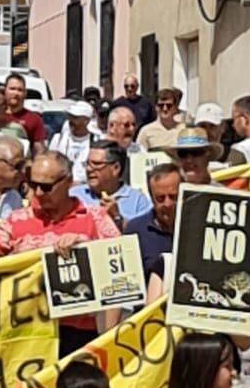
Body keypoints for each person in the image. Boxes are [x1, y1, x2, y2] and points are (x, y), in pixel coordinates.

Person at [0, 152, 121, 352]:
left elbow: (119, 274)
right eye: (33, 185)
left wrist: (86, 247)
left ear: (68, 182)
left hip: (77, 333)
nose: (39, 193)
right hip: (27, 333)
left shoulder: (95, 217)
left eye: (46, 187)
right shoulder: (16, 219)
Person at [75, 137, 153, 226]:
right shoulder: (74, 195)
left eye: (96, 164)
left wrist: (117, 217)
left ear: (116, 168)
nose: (89, 169)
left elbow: (143, 234)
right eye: (87, 164)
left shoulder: (138, 201)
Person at [128, 158, 179, 287]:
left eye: (173, 197)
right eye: (160, 198)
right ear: (151, 198)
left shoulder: (198, 228)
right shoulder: (135, 230)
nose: (167, 204)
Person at [48, 97, 94, 173]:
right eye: (70, 117)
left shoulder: (95, 141)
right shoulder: (58, 139)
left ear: (86, 121)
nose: (71, 120)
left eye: (75, 118)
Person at [137, 85, 187, 152]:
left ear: (175, 107)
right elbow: (138, 156)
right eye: (161, 105)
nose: (165, 109)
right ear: (156, 107)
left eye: (169, 105)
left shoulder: (184, 130)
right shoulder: (146, 131)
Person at [3, 73, 46, 148]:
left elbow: (39, 150)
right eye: (12, 89)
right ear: (4, 91)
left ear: (25, 93)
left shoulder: (34, 119)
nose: (16, 93)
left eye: (20, 90)